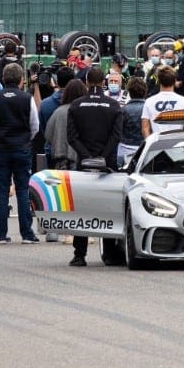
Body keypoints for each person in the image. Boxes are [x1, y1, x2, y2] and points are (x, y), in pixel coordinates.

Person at [64, 80, 131, 267]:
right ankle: (109, 253)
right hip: (107, 163)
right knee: (108, 207)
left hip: (83, 164)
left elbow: (72, 137)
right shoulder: (114, 105)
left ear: (87, 82)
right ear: (103, 82)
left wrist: (87, 157)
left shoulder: (77, 105)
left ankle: (79, 254)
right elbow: (117, 135)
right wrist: (102, 157)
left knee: (80, 208)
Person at [0, 63, 40, 244]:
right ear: (20, 80)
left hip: (1, 148)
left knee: (1, 191)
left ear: (3, 78)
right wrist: (25, 139)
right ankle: (27, 233)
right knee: (23, 190)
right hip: (21, 147)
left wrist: (0, 138)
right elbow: (35, 125)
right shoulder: (27, 98)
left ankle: (0, 233)